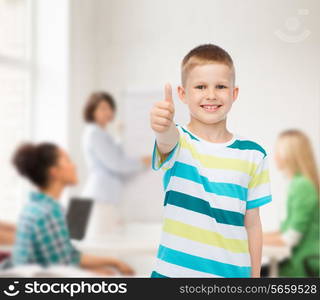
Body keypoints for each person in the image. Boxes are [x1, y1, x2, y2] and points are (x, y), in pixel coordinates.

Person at [149, 44, 272, 278]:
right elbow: (166, 140)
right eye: (201, 87)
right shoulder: (179, 142)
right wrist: (162, 126)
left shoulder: (254, 154)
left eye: (221, 86)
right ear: (183, 94)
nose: (211, 95)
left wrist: (255, 277)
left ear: (234, 93)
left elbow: (253, 223)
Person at [11, 142, 134, 276]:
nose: (74, 165)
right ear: (54, 172)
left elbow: (69, 257)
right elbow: (61, 270)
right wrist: (97, 274)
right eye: (67, 160)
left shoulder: (36, 207)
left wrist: (113, 262)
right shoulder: (48, 213)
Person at [263, 130, 319, 277]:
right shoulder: (297, 184)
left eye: (278, 151)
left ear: (289, 155)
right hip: (295, 265)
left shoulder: (302, 186)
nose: (274, 156)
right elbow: (284, 231)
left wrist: (249, 239)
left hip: (303, 268)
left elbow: (289, 239)